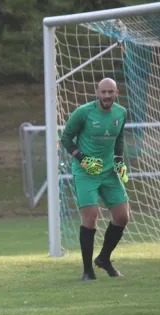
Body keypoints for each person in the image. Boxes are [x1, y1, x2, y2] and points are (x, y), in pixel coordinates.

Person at [61, 78, 129, 281]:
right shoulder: (83, 112)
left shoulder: (121, 113)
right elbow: (66, 139)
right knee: (90, 217)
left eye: (111, 92)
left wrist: (119, 161)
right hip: (85, 172)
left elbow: (120, 138)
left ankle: (104, 259)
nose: (107, 96)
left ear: (116, 92)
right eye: (103, 92)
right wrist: (82, 159)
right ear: (97, 92)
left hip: (109, 172)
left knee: (122, 216)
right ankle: (87, 271)